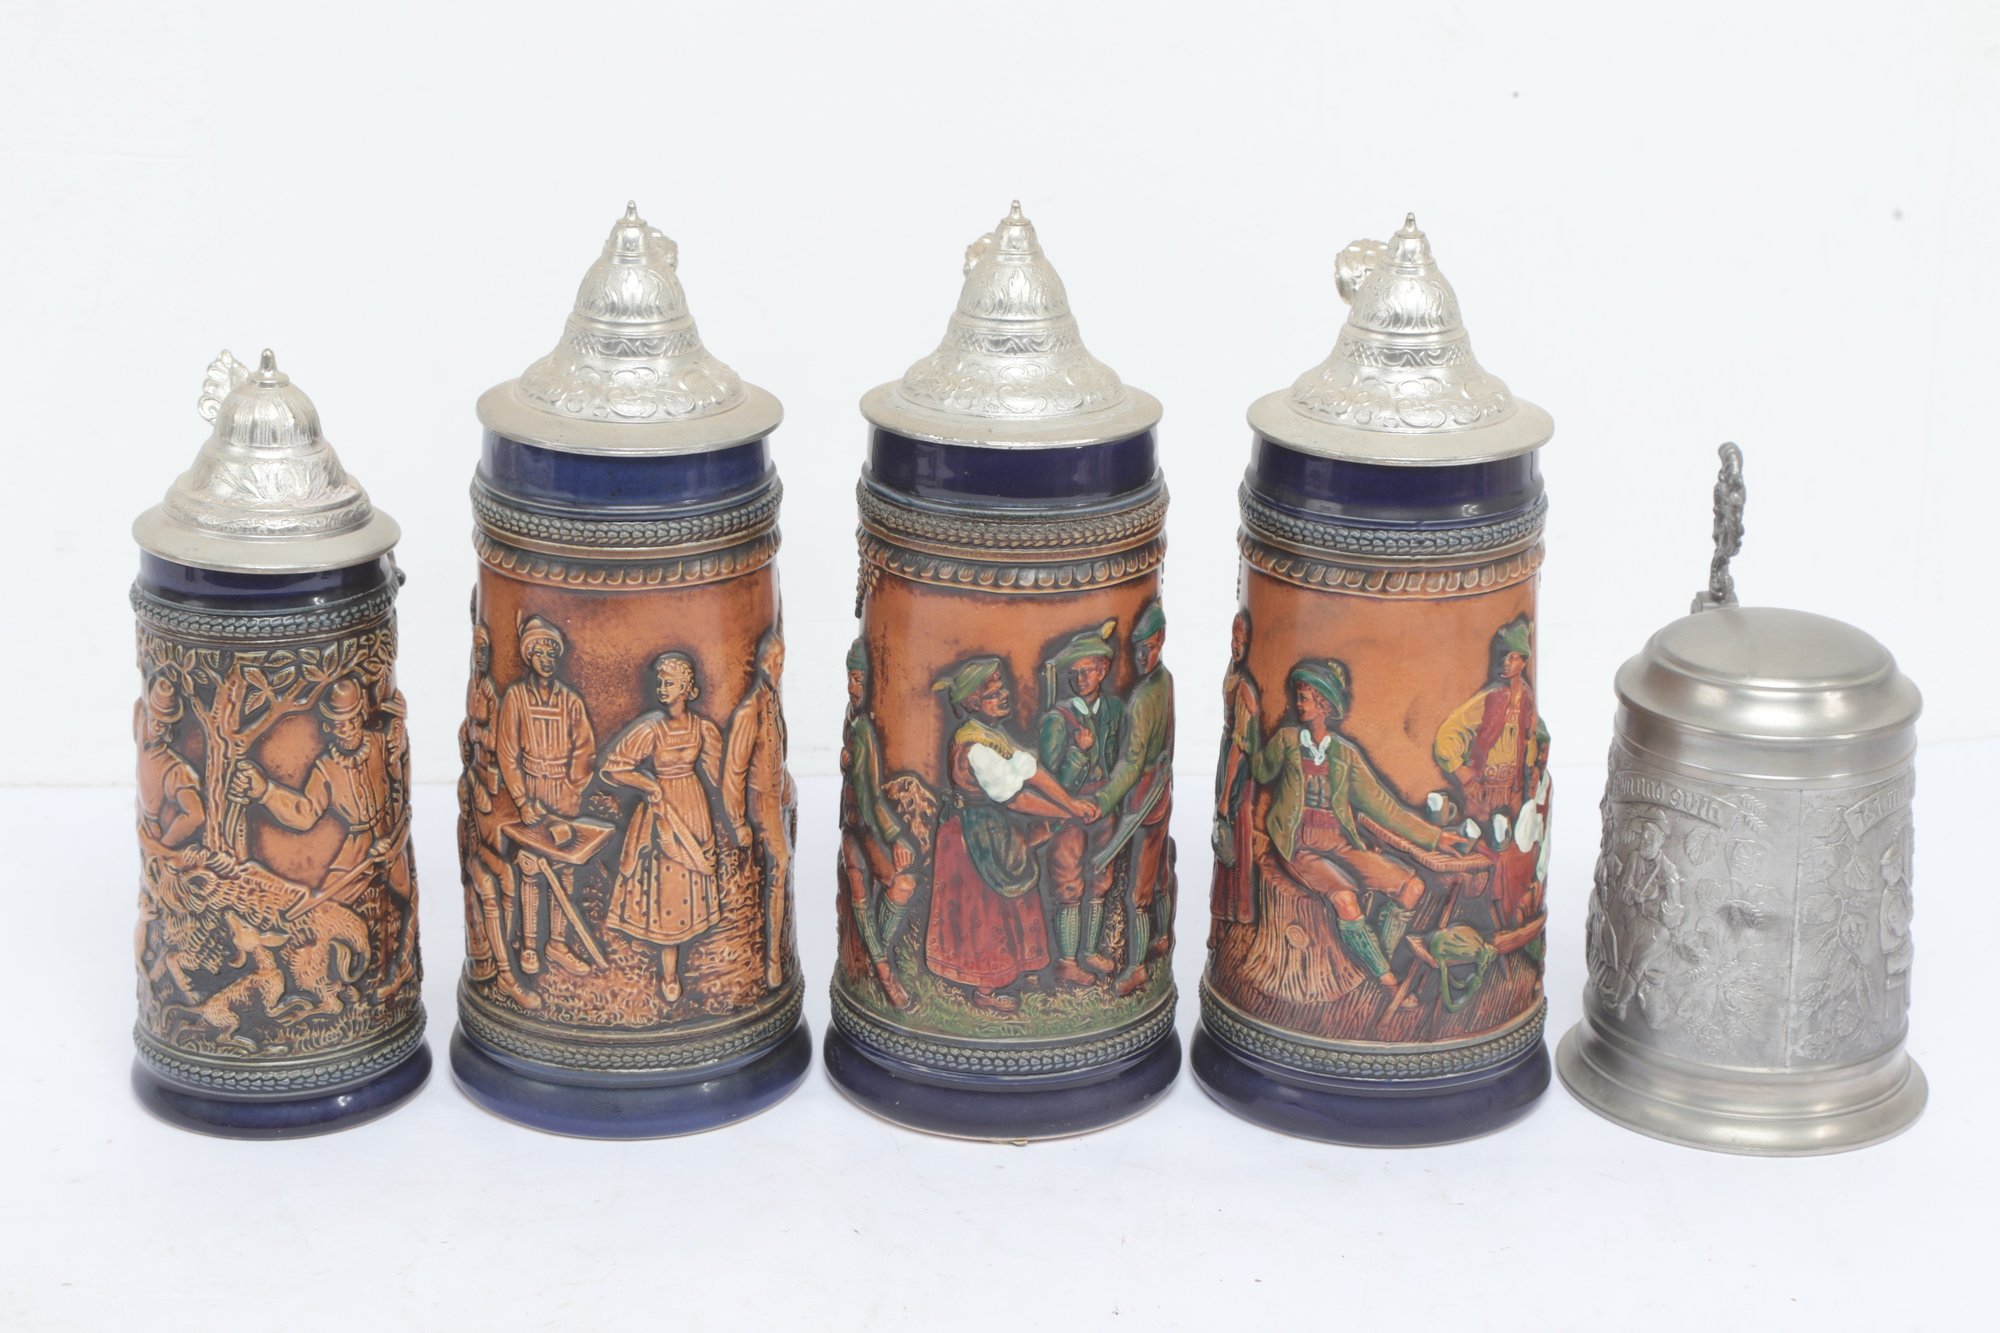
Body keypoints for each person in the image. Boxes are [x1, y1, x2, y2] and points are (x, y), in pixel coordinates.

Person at [1250, 659, 1474, 996]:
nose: (1298, 704)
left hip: (1339, 843)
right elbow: (1261, 772)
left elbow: (1383, 806)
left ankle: (1372, 961)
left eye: (1305, 698)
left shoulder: (1345, 754)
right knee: (1345, 899)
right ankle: (1386, 979)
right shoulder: (1286, 740)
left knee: (1411, 887)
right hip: (1300, 846)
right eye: (1298, 697)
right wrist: (1248, 729)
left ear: (1324, 705)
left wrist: (1435, 836)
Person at [925, 658, 1098, 1012]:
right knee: (986, 907)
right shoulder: (975, 748)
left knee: (1015, 897)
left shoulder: (992, 733)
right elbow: (1016, 798)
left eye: (1002, 689)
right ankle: (985, 989)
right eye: (993, 694)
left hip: (992, 828)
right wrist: (1067, 812)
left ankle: (1018, 967)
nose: (1003, 695)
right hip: (972, 838)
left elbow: (1029, 771)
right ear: (973, 703)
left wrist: (1069, 803)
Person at [230, 677, 419, 998]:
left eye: (351, 721)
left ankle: (401, 968)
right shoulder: (326, 768)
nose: (346, 730)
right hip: (356, 847)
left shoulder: (380, 743)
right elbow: (304, 813)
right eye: (338, 724)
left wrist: (394, 835)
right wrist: (265, 791)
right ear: (329, 727)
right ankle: (338, 983)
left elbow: (400, 783)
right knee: (330, 908)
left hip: (390, 832)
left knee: (404, 898)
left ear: (361, 716)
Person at [600, 653, 727, 1006]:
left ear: (686, 688)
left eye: (669, 683)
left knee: (690, 879)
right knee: (667, 885)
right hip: (661, 810)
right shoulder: (651, 728)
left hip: (693, 805)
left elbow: (721, 776)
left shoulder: (702, 728)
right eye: (659, 682)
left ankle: (684, 959)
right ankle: (669, 973)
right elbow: (614, 767)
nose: (661, 688)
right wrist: (648, 784)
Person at [495, 614, 598, 976]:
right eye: (538, 652)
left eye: (551, 652)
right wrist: (522, 800)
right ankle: (528, 945)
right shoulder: (516, 697)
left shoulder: (570, 700)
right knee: (530, 867)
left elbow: (585, 749)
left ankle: (557, 944)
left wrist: (573, 787)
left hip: (562, 791)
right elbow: (507, 753)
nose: (545, 658)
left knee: (564, 871)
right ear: (528, 656)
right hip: (532, 790)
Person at [1085, 601, 1175, 997]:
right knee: (1157, 875)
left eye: (1149, 649)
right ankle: (1161, 938)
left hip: (1144, 801)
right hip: (1160, 792)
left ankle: (1137, 968)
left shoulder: (1143, 698)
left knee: (1138, 890)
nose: (1142, 658)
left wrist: (1104, 799)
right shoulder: (1165, 680)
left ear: (1162, 640)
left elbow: (1132, 763)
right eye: (1138, 650)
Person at [1036, 620, 1124, 987]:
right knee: (1069, 883)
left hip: (1104, 807)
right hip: (1068, 812)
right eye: (1074, 674)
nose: (1079, 679)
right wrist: (1079, 753)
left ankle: (1089, 951)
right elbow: (1049, 781)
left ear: (1103, 670)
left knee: (1100, 878)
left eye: (1086, 671)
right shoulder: (1057, 720)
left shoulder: (1114, 710)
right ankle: (1067, 961)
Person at [724, 627, 794, 989]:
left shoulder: (773, 702)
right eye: (773, 662)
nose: (778, 668)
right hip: (759, 802)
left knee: (778, 863)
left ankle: (774, 952)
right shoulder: (749, 710)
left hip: (775, 795)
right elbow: (733, 771)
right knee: (779, 863)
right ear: (762, 664)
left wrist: (787, 783)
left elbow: (779, 749)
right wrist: (737, 821)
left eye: (782, 661)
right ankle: (772, 962)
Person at [1432, 614, 1546, 831]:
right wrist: (1461, 771)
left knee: (1510, 841)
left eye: (1513, 658)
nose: (1506, 663)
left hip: (1513, 790)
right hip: (1483, 789)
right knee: (1477, 834)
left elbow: (1532, 737)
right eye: (1504, 657)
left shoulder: (1527, 699)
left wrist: (1534, 768)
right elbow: (1449, 732)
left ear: (1524, 661)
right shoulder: (1492, 698)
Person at [1209, 610, 1260, 940]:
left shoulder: (1244, 689)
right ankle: (1223, 920)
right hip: (1226, 753)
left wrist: (1226, 796)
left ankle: (1238, 916)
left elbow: (1240, 749)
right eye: (1233, 639)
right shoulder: (1233, 670)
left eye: (1241, 641)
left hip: (1238, 771)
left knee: (1236, 838)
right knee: (1225, 841)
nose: (1235, 646)